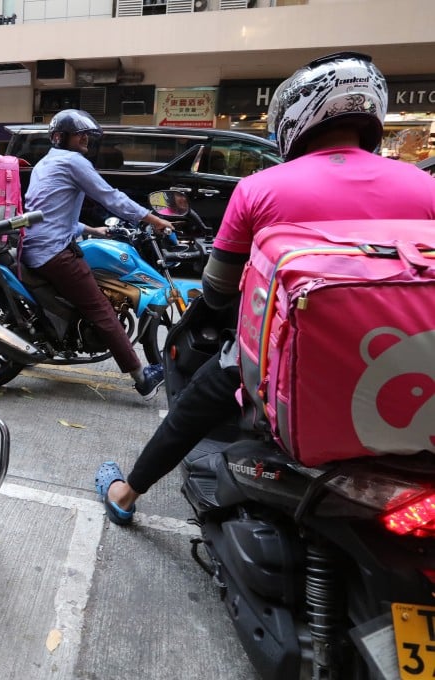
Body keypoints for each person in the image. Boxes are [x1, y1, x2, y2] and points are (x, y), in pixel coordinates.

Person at [95, 52, 435, 525]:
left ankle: (127, 494)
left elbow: (217, 291)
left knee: (195, 403)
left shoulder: (260, 188)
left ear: (296, 115)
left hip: (287, 362)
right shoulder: (423, 185)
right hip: (415, 358)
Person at [22, 109, 174, 400]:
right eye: (79, 134)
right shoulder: (73, 161)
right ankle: (142, 378)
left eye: (85, 134)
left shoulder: (46, 163)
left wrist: (91, 230)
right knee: (101, 309)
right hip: (54, 252)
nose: (85, 139)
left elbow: (50, 213)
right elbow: (110, 196)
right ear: (60, 137)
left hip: (35, 246)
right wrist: (153, 220)